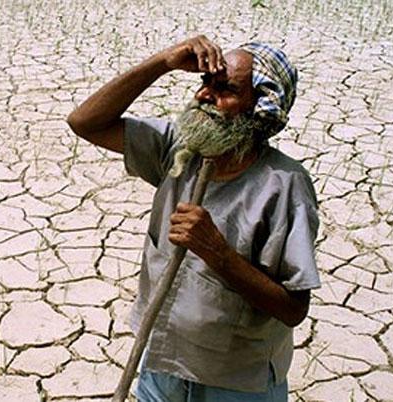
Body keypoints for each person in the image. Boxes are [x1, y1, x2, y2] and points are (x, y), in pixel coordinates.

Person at [67, 35, 320, 401]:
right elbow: (85, 122)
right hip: (160, 360)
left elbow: (294, 308)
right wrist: (162, 62)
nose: (204, 97)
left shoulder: (284, 186)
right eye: (205, 84)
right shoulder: (179, 148)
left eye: (225, 89)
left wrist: (218, 254)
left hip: (232, 383)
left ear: (261, 108)